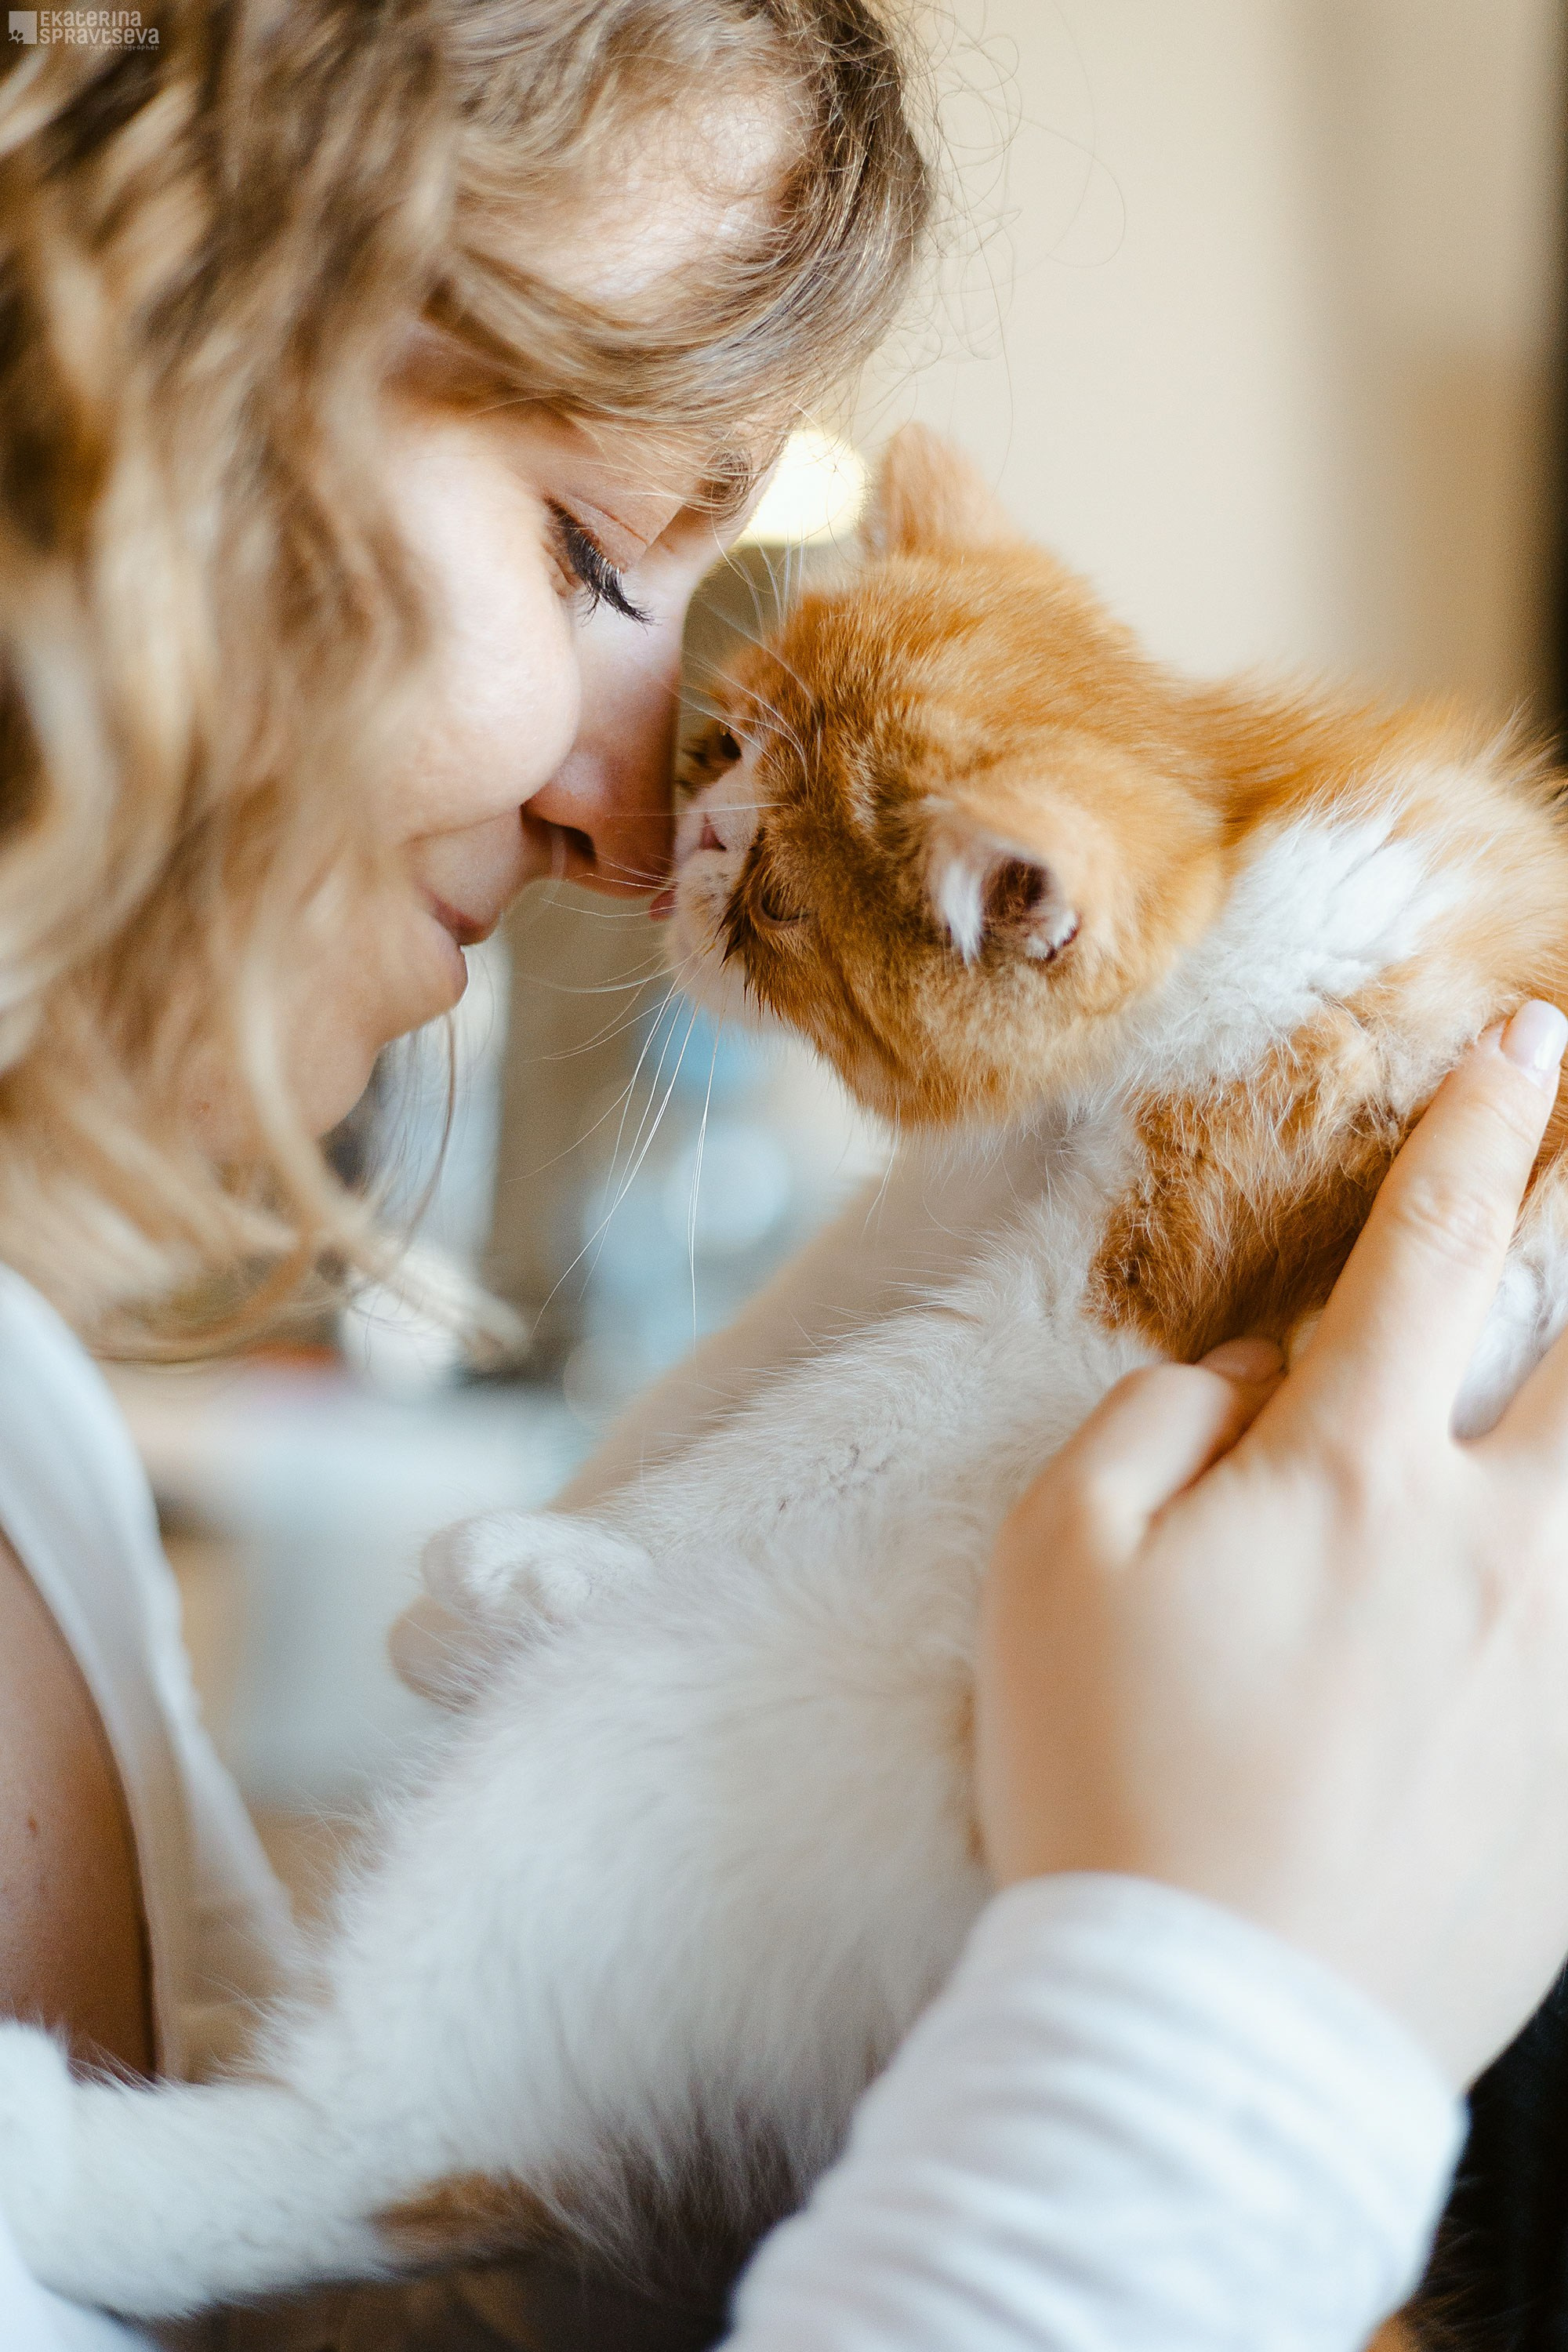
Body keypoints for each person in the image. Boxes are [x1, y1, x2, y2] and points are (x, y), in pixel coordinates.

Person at [0, 5, 1564, 2347]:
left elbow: (334, 2233)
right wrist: (1221, 2043)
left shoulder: (38, 1438)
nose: (625, 826)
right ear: (112, 335)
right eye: (589, 545)